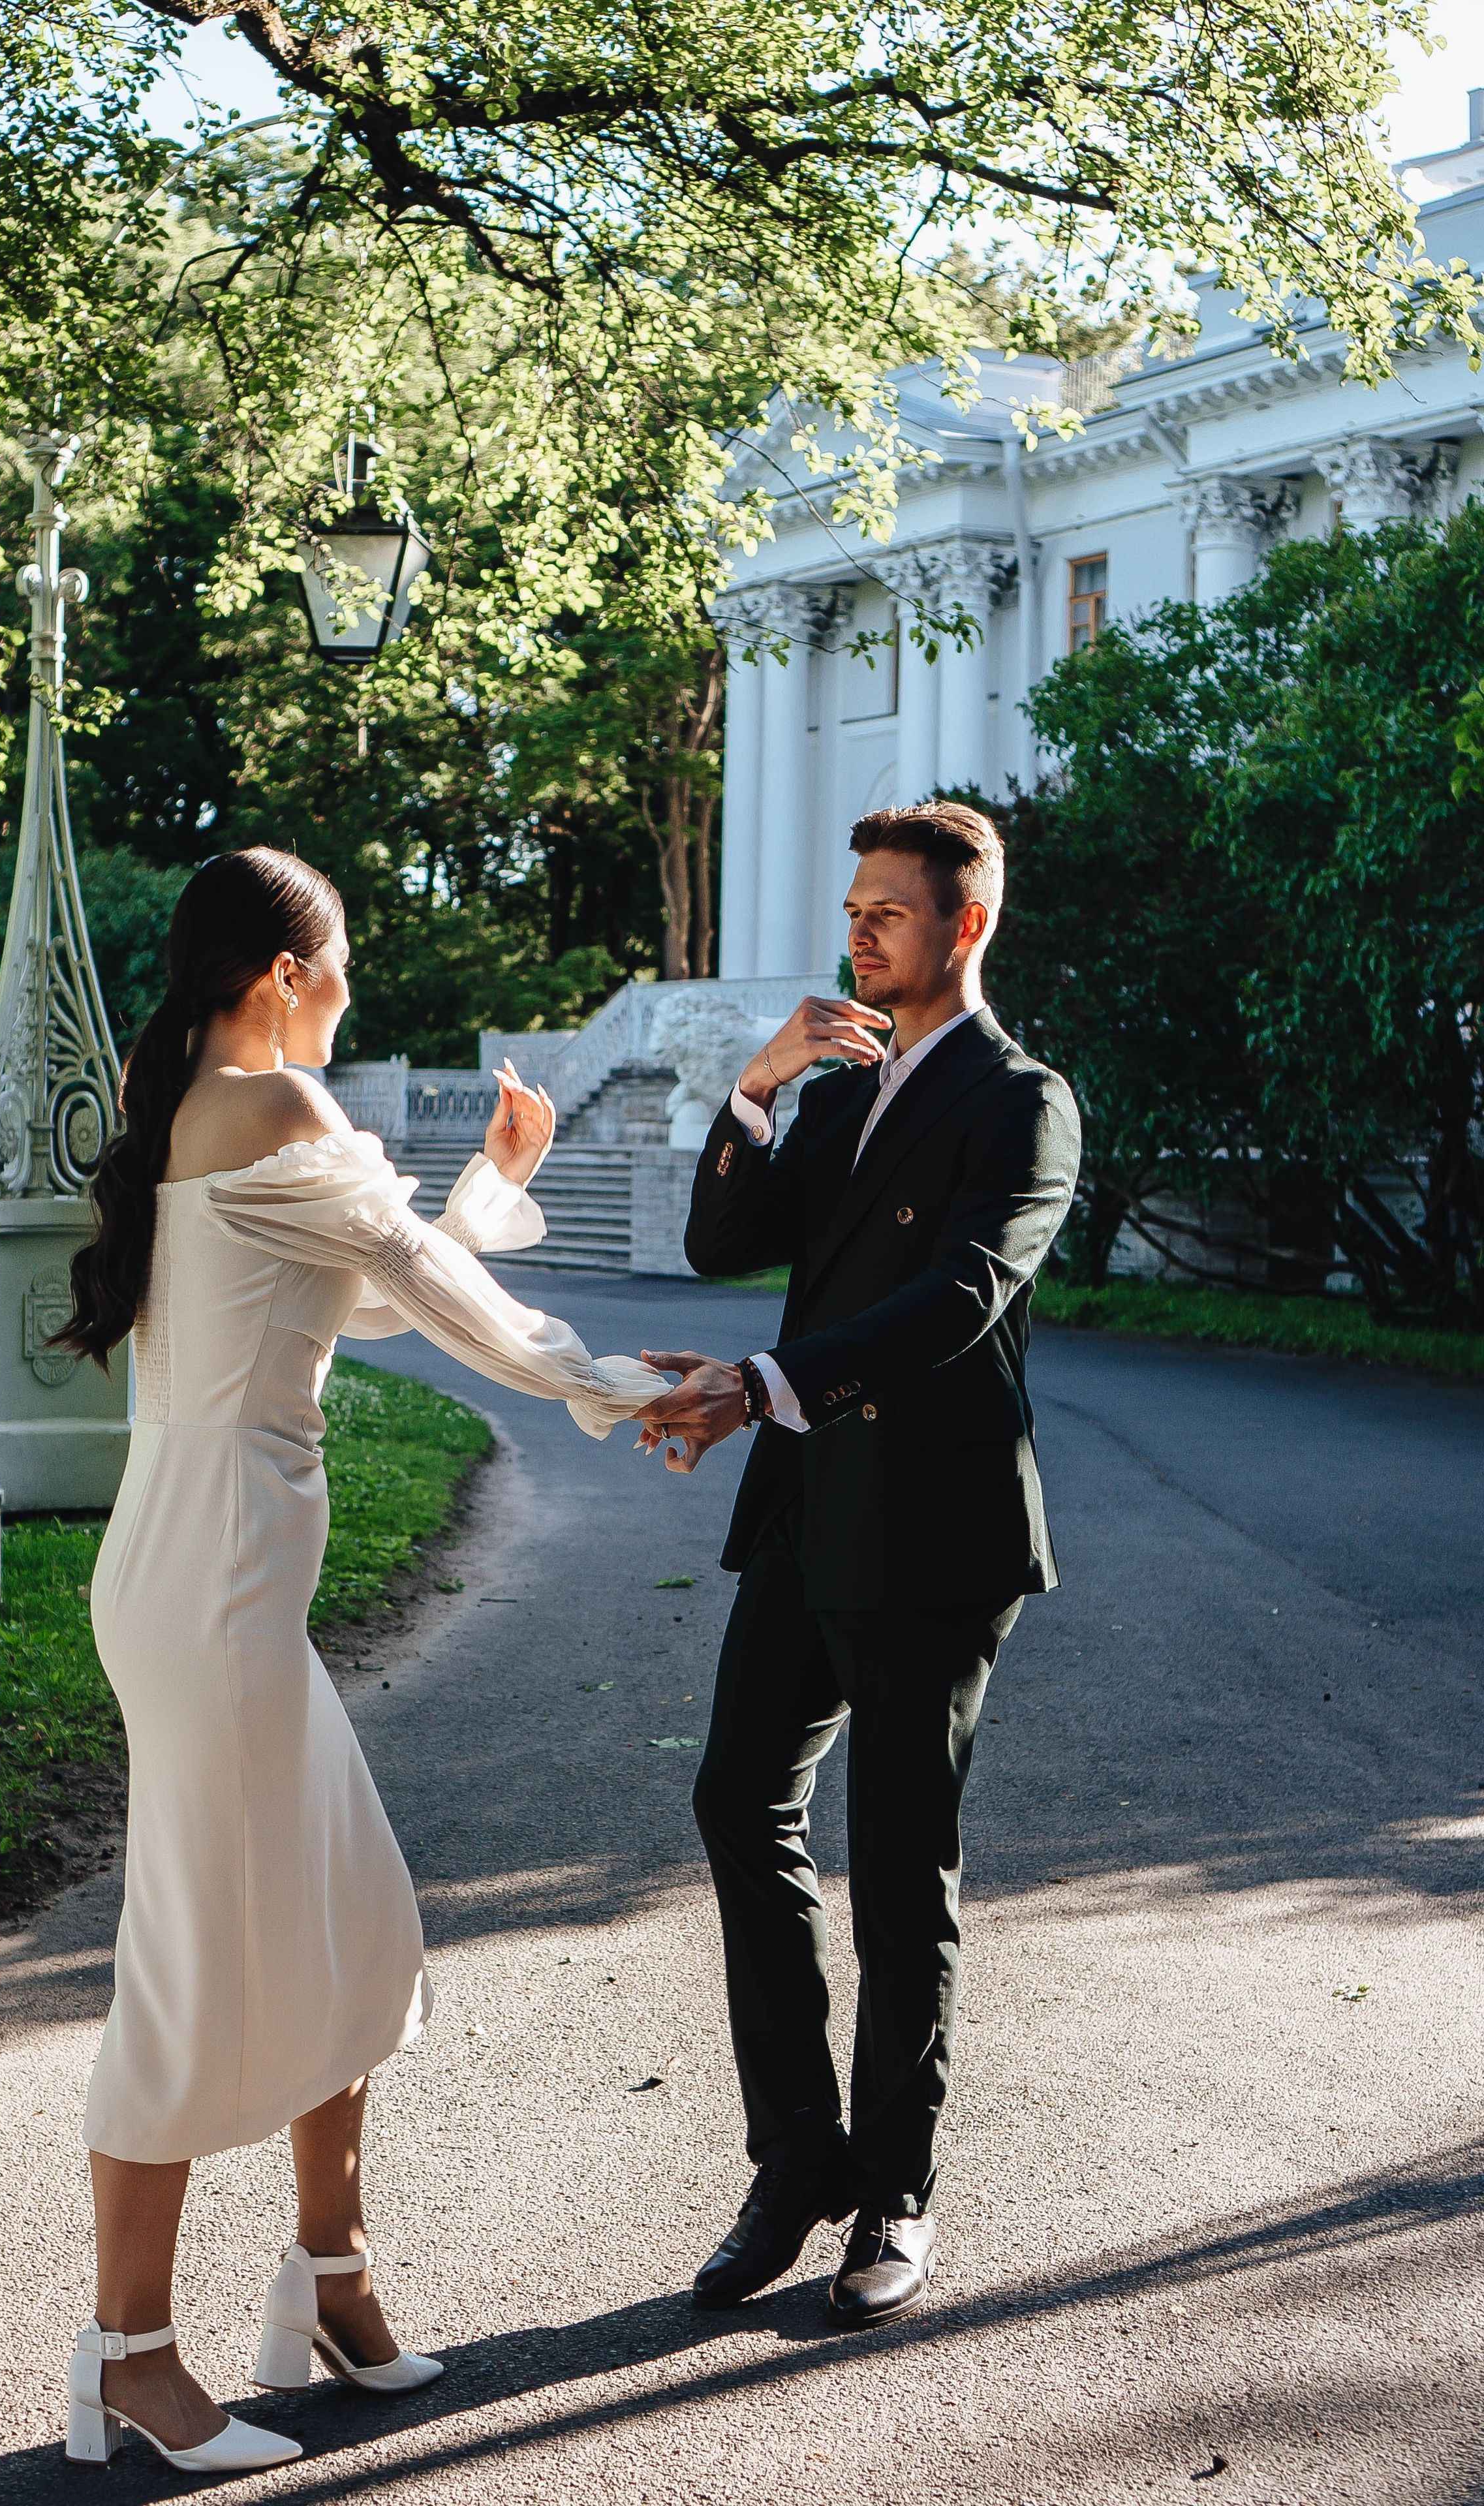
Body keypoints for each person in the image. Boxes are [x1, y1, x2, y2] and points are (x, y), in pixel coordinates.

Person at [53, 847, 666, 2473]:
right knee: (191, 1965)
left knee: (357, 1930)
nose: (349, 995)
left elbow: (375, 1289)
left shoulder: (211, 1108)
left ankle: (328, 2284)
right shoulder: (274, 1106)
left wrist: (485, 1192)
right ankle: (129, 2355)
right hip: (215, 1595)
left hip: (203, 1585)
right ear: (283, 976)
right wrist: (610, 1383)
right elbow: (430, 1296)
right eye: (341, 966)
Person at [636, 799, 1081, 2328]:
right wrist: (755, 1088)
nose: (857, 933)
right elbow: (718, 1245)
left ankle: (893, 2190)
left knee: (897, 1864)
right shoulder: (832, 1094)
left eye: (886, 911)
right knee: (737, 1798)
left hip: (936, 1532)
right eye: (851, 910)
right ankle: (794, 2166)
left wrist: (760, 1387)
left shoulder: (1020, 1102)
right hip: (808, 1513)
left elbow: (958, 1297)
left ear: (966, 924)